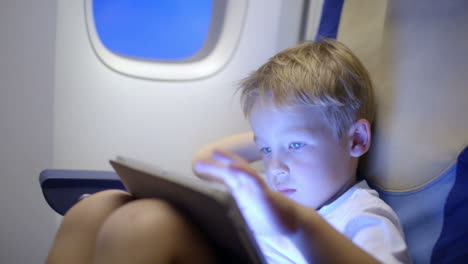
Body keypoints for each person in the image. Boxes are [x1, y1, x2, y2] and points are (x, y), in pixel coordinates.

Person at [45, 39, 410, 264]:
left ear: (357, 141)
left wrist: (298, 223)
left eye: (296, 145)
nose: (277, 165)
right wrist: (278, 136)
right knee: (98, 206)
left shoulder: (362, 215)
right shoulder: (275, 180)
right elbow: (204, 162)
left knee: (145, 226)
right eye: (264, 148)